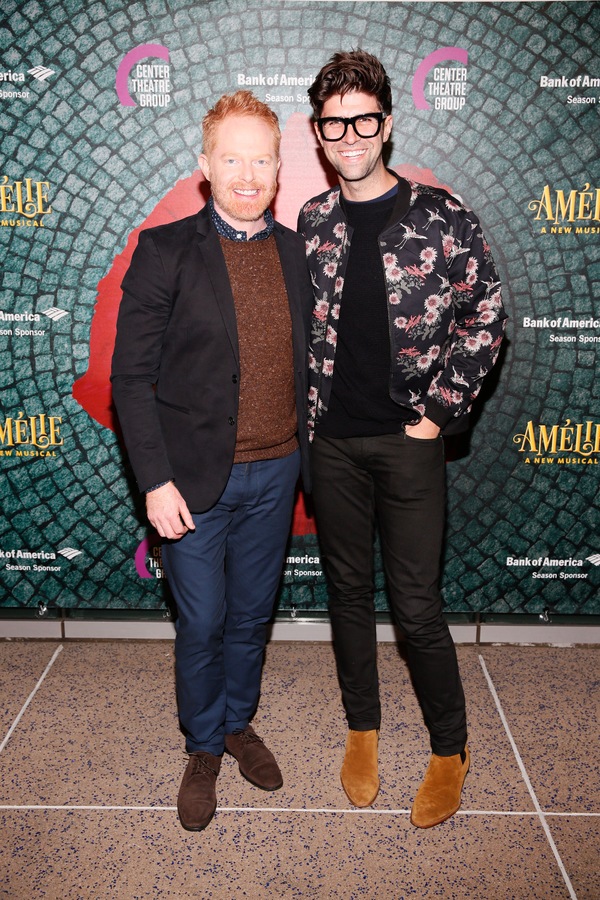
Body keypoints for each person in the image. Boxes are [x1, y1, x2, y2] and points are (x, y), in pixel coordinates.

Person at [298, 50, 507, 828]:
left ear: (386, 123)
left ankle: (449, 749)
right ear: (319, 134)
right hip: (332, 444)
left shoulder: (442, 215)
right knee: (348, 597)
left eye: (362, 119)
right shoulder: (313, 223)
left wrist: (437, 413)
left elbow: (487, 312)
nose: (348, 135)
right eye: (333, 123)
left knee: (416, 607)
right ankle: (362, 730)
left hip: (409, 441)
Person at [111, 90, 313, 832]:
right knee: (202, 622)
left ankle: (236, 723)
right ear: (205, 167)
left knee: (251, 616)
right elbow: (130, 379)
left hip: (278, 472)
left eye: (261, 158)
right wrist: (154, 482)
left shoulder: (297, 252)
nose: (247, 173)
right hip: (192, 483)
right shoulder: (165, 252)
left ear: (278, 168)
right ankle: (202, 745)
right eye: (231, 157)